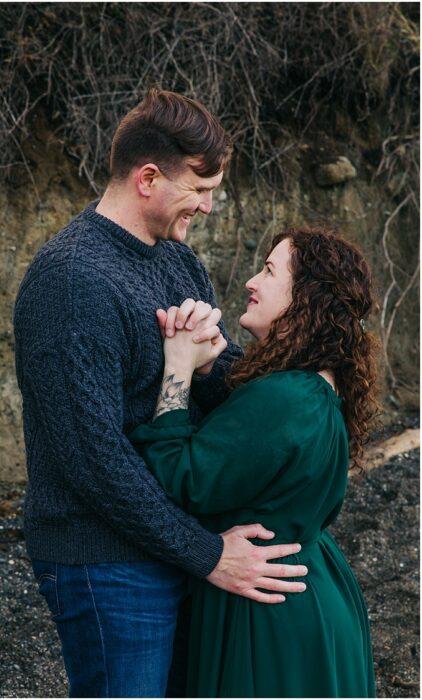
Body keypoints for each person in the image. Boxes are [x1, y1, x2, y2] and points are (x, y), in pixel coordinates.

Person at [13, 89, 308, 697]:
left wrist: (209, 364)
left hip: (170, 541)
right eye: (198, 191)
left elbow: (219, 391)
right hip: (104, 560)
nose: (205, 207)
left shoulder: (178, 262)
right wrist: (206, 554)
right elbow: (92, 458)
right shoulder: (70, 281)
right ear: (148, 178)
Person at [131, 227, 377, 696]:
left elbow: (182, 478)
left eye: (268, 271)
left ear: (307, 297)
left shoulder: (287, 397)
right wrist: (208, 371)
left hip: (269, 609)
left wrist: (178, 367)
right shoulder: (316, 386)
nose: (251, 281)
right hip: (307, 589)